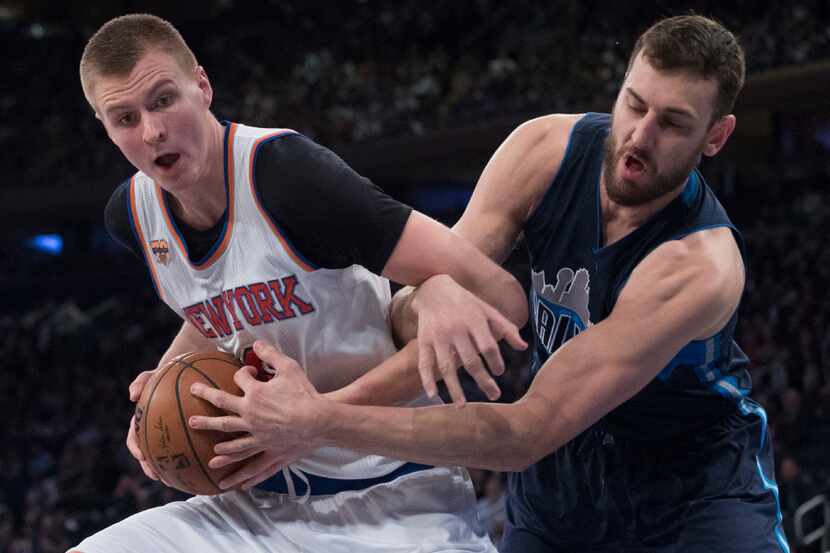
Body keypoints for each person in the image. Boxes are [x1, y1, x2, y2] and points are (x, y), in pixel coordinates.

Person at [190, 15, 790, 552]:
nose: (639, 136)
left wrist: (316, 419)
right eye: (635, 104)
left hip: (695, 495)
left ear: (716, 136)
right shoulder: (544, 151)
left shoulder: (697, 267)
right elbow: (412, 315)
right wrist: (439, 291)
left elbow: (527, 429)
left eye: (673, 123)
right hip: (561, 489)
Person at [72, 13, 530, 553]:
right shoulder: (131, 214)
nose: (150, 132)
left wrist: (317, 421)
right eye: (124, 118)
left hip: (396, 493)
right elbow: (219, 309)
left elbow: (502, 298)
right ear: (104, 127)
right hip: (258, 506)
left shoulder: (288, 177)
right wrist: (161, 387)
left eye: (163, 100)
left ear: (202, 85)